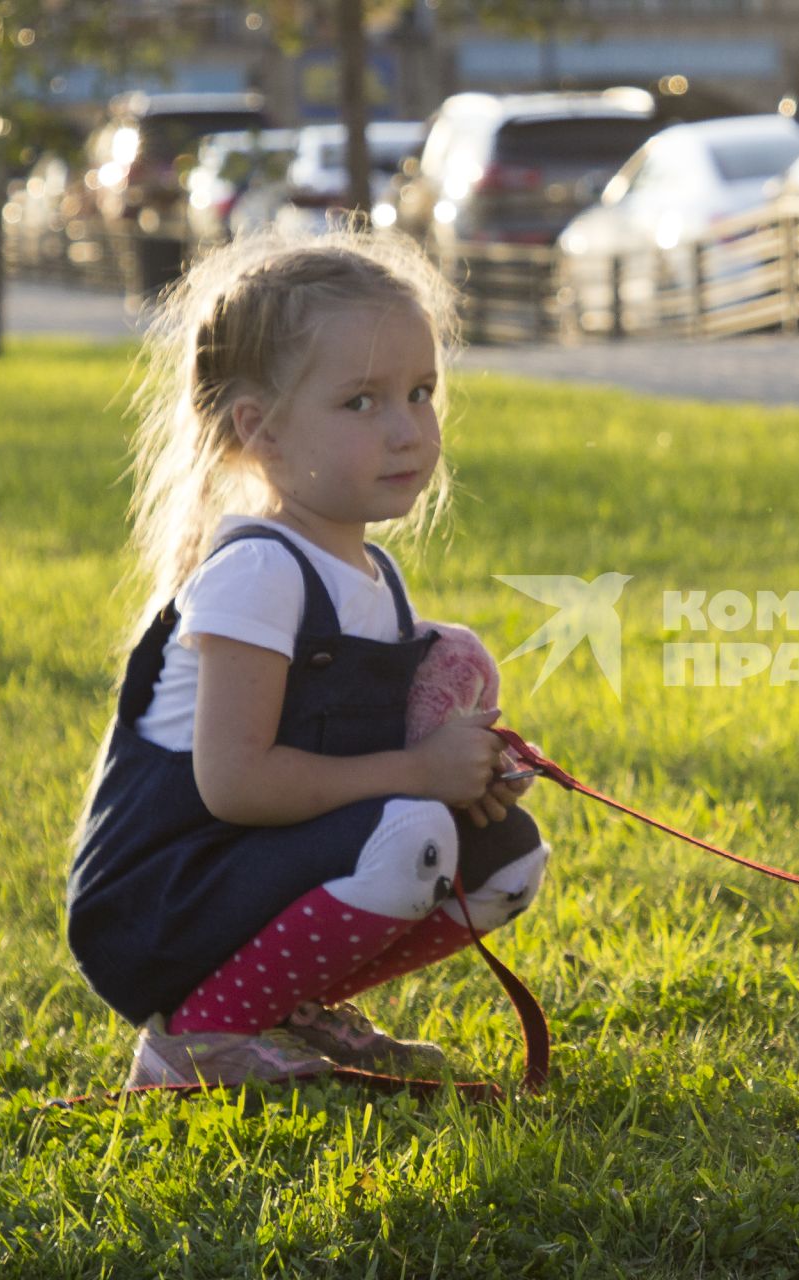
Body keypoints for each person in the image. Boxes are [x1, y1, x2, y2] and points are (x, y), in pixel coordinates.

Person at [68, 229, 547, 1087]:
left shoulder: (372, 575)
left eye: (421, 392)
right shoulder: (258, 571)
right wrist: (416, 773)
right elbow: (236, 784)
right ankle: (197, 1036)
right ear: (262, 432)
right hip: (164, 901)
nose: (408, 431)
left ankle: (279, 1007)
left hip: (252, 876)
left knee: (508, 857)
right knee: (414, 832)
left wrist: (466, 770)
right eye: (361, 402)